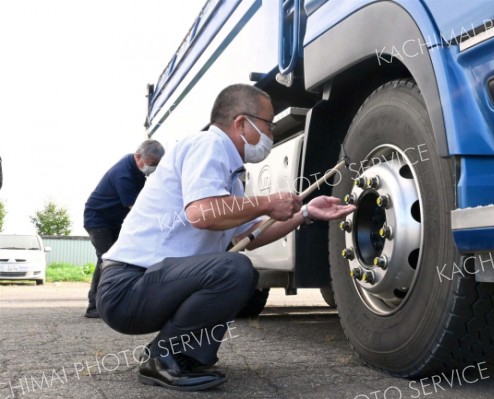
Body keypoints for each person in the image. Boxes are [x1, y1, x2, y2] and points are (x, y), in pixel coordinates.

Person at [95, 84, 356, 391]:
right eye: (268, 124)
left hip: (146, 286)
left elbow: (248, 235)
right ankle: (164, 358)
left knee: (235, 266)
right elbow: (201, 214)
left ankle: (187, 357)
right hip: (126, 288)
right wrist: (268, 202)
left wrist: (307, 213)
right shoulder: (208, 145)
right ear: (241, 123)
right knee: (235, 269)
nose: (271, 133)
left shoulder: (227, 172)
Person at [82, 140, 165, 318]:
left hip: (114, 221)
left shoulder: (136, 169)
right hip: (98, 220)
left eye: (156, 166)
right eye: (152, 165)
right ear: (138, 157)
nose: (153, 169)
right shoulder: (124, 175)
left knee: (123, 257)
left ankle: (119, 299)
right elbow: (135, 208)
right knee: (107, 259)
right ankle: (94, 306)